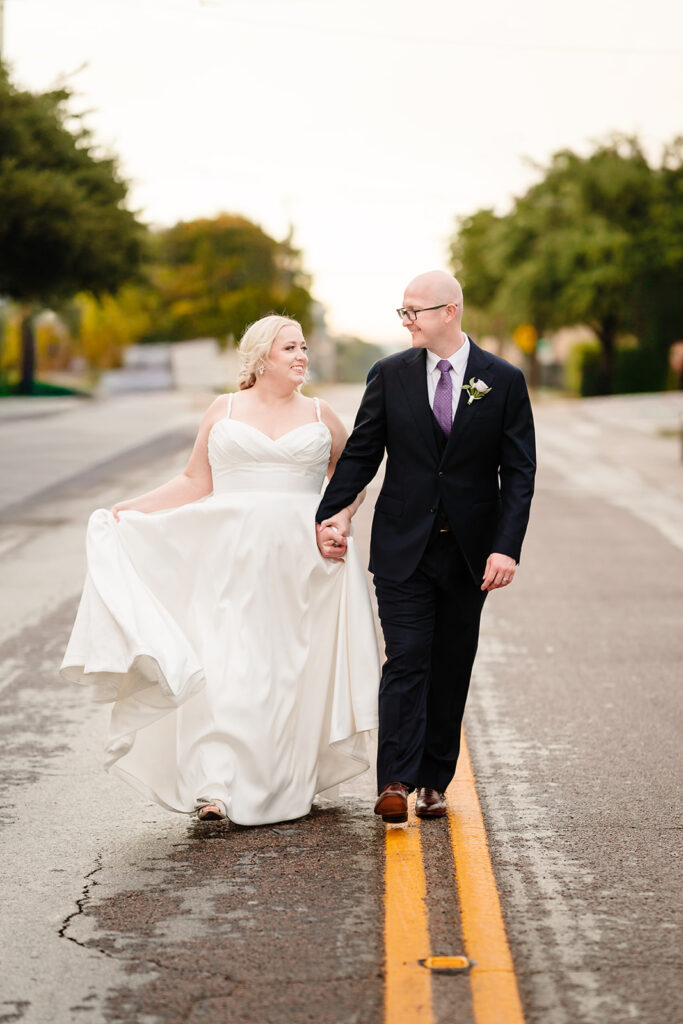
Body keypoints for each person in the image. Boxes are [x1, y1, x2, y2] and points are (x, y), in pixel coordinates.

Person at [61, 315, 379, 825]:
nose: (302, 356)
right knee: (229, 665)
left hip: (303, 563)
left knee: (288, 674)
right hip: (227, 559)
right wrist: (132, 510)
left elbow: (352, 475)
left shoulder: (321, 415)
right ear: (260, 359)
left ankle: (284, 780)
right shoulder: (223, 410)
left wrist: (338, 518)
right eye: (290, 348)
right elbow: (194, 481)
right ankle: (216, 785)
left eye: (303, 347)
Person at [315, 271, 536, 824]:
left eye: (416, 310)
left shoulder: (502, 380)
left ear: (451, 311)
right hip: (402, 547)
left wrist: (505, 548)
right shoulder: (388, 375)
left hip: (469, 553)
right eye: (403, 311)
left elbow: (520, 472)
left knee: (451, 662)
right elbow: (363, 454)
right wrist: (328, 515)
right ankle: (394, 780)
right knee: (407, 659)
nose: (407, 319)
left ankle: (434, 781)